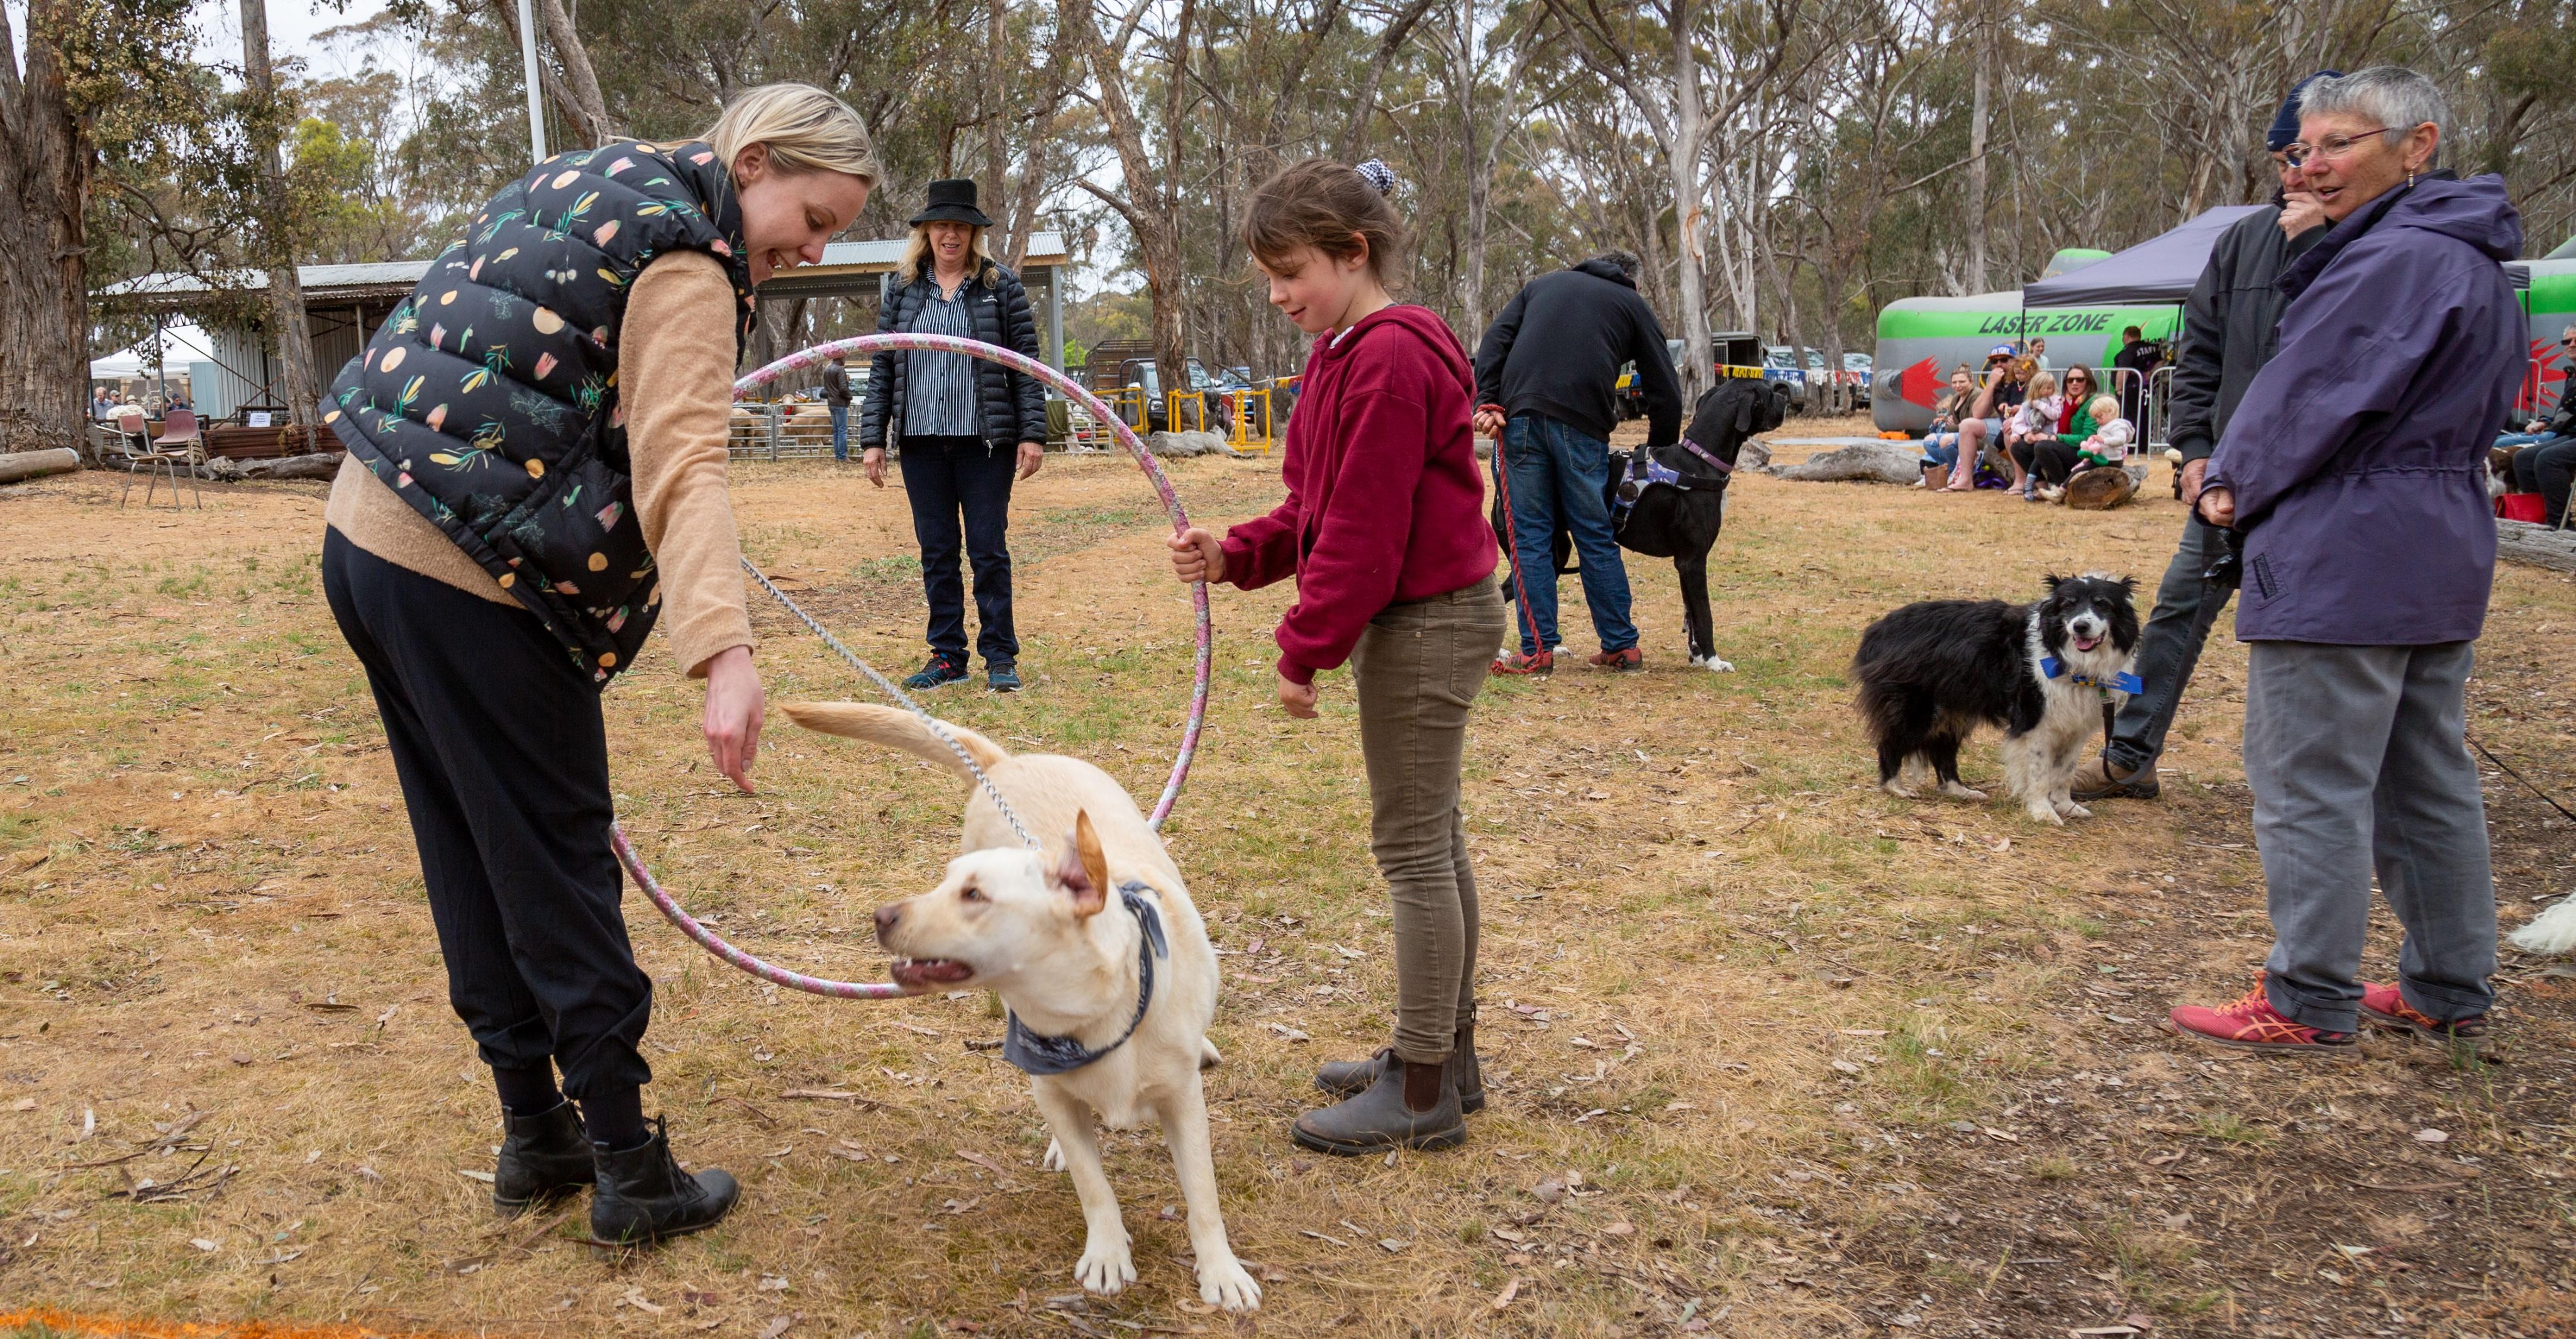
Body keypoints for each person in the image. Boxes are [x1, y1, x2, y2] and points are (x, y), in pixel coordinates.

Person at [316, 83, 880, 1242]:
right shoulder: (689, 262)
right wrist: (724, 652)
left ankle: (538, 1131)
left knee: (472, 845)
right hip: (473, 571)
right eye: (814, 218)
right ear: (756, 163)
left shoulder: (601, 175)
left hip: (367, 533)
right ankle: (628, 1166)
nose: (814, 250)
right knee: (555, 857)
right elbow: (685, 463)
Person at [2168, 66, 2521, 1056]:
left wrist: (2227, 480)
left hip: (2347, 547)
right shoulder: (2465, 253)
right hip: (2438, 540)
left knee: (2310, 780)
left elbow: (2310, 395)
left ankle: (2307, 994)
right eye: (2300, 150)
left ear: (2418, 145)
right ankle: (2448, 985)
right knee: (2424, 777)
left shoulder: (2391, 259)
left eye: (2337, 145)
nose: (2310, 166)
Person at [1167, 157, 1503, 1153]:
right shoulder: (1345, 353)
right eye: (1269, 277)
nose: (1278, 295)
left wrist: (1303, 648)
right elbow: (1316, 506)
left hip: (1428, 620)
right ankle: (1444, 1057)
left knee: (1414, 847)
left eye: (1292, 273)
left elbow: (1364, 529)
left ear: (1355, 255)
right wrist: (1235, 554)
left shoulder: (1390, 358)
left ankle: (1423, 1088)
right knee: (1433, 837)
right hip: (1419, 615)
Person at [2071, 74, 2338, 803]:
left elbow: (2340, 352)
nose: (2295, 174)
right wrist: (2193, 452)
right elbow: (2199, 358)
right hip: (2229, 478)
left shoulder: (2372, 244)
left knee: (2310, 637)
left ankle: (2320, 786)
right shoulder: (2243, 240)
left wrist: (2317, 245)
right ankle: (2129, 755)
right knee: (2172, 615)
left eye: (2310, 156)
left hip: (2324, 486)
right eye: (2283, 158)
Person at [857, 177, 1048, 694]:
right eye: (942, 225)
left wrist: (1032, 433)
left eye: (961, 227)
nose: (951, 235)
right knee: (937, 551)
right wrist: (873, 437)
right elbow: (883, 367)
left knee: (988, 550)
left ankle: (1000, 656)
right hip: (921, 442)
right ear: (926, 231)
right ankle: (947, 655)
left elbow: (1025, 366)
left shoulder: (1000, 286)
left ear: (974, 233)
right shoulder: (903, 290)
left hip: (984, 444)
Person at [1471, 249, 1680, 675]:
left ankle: (1537, 650)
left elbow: (1493, 341)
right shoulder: (1632, 302)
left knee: (1530, 537)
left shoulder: (1541, 285)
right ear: (1632, 280)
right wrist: (1657, 455)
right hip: (1583, 425)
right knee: (1594, 532)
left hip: (1519, 417)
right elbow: (1666, 388)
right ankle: (1621, 646)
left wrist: (1487, 398)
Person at [2501, 325, 2576, 525]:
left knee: (2548, 459)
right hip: (2568, 432)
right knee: (2523, 458)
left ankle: (2559, 524)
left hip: (2564, 432)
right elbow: (2565, 412)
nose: (2571, 345)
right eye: (2567, 341)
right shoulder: (2572, 375)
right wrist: (2546, 421)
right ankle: (2538, 518)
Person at [1945, 347, 2026, 491]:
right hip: (2001, 424)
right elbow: (1977, 414)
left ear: (2015, 361)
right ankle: (1966, 480)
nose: (1999, 365)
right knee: (1967, 425)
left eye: (2004, 360)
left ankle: (2021, 481)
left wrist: (2018, 418)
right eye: (1994, 362)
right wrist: (1992, 384)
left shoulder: (2026, 377)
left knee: (2010, 429)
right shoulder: (1996, 383)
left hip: (2026, 424)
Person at [1918, 367, 1978, 487]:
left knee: (1946, 440)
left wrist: (1955, 426)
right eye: (1954, 382)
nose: (1958, 385)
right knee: (1928, 441)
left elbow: (1971, 424)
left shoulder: (1976, 396)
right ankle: (1949, 468)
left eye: (1962, 382)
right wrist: (1955, 426)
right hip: (1960, 433)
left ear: (1971, 382)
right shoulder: (1956, 398)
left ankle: (1956, 472)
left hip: (1975, 438)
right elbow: (1948, 425)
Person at [2111, 325, 2160, 426]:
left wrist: (2119, 390)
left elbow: (2124, 371)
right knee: (2144, 416)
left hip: (2131, 390)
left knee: (2129, 419)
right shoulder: (2152, 348)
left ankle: (2134, 436)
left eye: (2123, 337)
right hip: (2148, 388)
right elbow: (2161, 362)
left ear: (2127, 336)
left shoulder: (2129, 351)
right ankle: (2144, 436)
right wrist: (2152, 372)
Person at [822, 355, 853, 462]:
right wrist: (849, 396)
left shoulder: (827, 370)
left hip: (831, 402)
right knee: (842, 430)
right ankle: (843, 456)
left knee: (836, 431)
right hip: (840, 403)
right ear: (841, 359)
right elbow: (843, 388)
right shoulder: (840, 370)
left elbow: (827, 388)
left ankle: (838, 455)